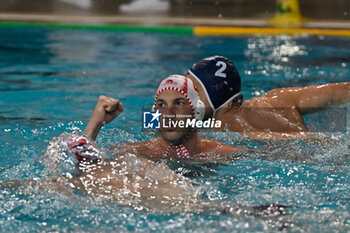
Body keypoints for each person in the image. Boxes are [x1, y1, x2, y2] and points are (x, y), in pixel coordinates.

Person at [83, 74, 248, 163]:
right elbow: (80, 165)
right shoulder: (137, 152)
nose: (168, 114)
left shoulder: (220, 153)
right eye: (161, 105)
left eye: (179, 103)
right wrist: (96, 123)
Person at [186, 56, 350, 138]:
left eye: (194, 91)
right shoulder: (281, 98)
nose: (186, 97)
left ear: (213, 94)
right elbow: (344, 90)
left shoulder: (217, 128)